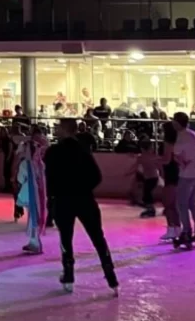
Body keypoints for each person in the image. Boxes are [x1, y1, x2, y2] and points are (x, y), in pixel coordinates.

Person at [45, 119, 119, 296]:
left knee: (66, 238)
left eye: (58, 127)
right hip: (85, 199)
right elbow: (96, 176)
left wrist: (54, 196)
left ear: (64, 129)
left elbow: (49, 178)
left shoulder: (54, 151)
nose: (56, 130)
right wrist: (84, 188)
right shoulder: (83, 150)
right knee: (98, 238)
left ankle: (69, 275)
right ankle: (111, 276)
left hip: (63, 200)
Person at [171, 112, 195, 250]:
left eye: (174, 121)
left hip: (187, 174)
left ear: (178, 123)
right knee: (192, 203)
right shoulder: (193, 135)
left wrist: (181, 162)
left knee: (182, 204)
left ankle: (186, 232)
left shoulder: (182, 137)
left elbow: (177, 155)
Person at [15, 135, 46, 254]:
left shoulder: (26, 164)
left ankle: (35, 242)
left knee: (32, 217)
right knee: (35, 216)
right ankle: (34, 241)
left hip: (28, 191)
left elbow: (20, 179)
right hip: (39, 191)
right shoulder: (40, 163)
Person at [159, 123, 181, 241]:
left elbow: (166, 160)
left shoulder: (167, 144)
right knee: (173, 204)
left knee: (168, 204)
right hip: (176, 173)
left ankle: (171, 228)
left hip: (170, 174)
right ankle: (177, 228)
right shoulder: (178, 143)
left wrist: (155, 160)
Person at [135, 138, 159, 219]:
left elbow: (135, 167)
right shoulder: (153, 157)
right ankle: (150, 208)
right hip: (153, 177)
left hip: (150, 178)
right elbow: (159, 167)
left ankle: (151, 209)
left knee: (147, 194)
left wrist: (126, 173)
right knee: (147, 193)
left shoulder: (141, 157)